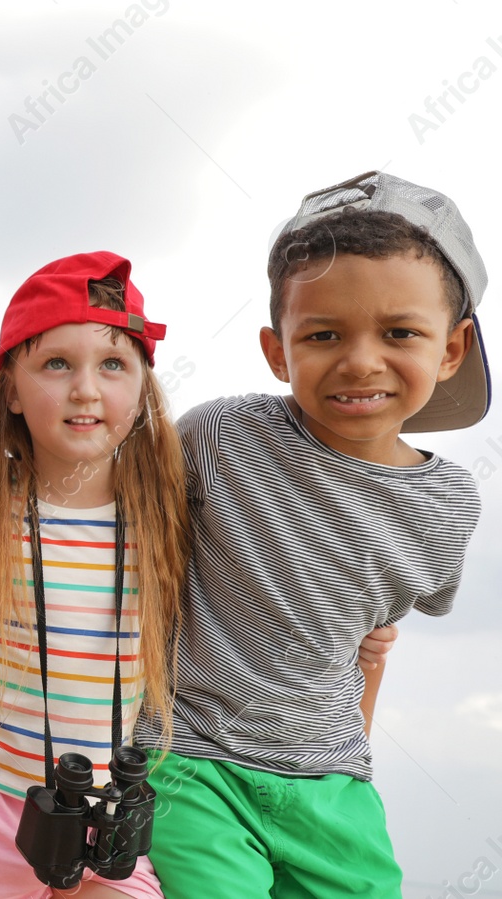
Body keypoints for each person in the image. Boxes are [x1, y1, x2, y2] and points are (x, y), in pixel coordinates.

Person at [136, 171, 487, 897]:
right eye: (324, 334)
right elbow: (128, 541)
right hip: (192, 762)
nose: (361, 359)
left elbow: (370, 636)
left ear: (450, 350)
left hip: (332, 781)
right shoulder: (218, 436)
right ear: (277, 349)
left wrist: (351, 743)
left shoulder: (448, 500)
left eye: (400, 333)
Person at [0, 252, 188, 898]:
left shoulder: (170, 512)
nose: (86, 388)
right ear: (10, 388)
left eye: (113, 363)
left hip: (105, 804)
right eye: (56, 363)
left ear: (143, 385)